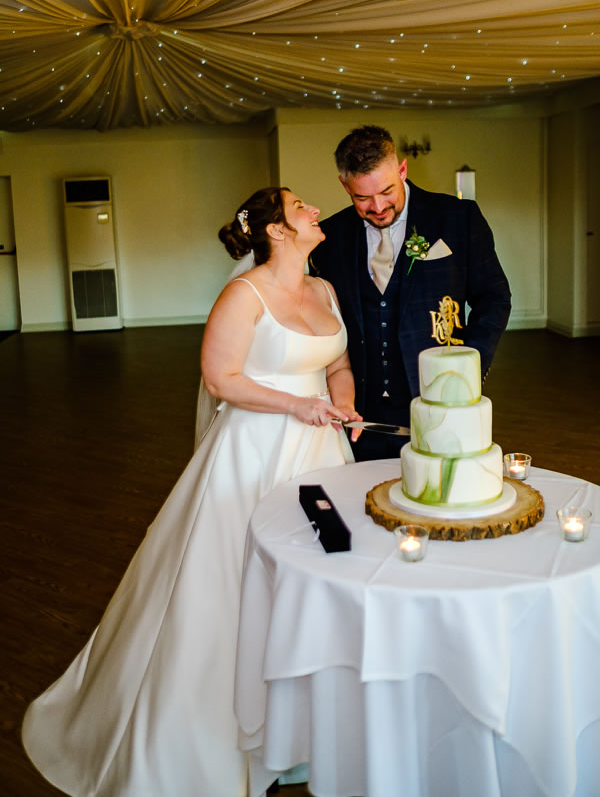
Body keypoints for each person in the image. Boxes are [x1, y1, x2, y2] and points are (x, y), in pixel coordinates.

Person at [22, 186, 360, 797]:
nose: (314, 210)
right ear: (277, 231)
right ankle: (215, 740)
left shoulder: (325, 289)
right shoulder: (244, 294)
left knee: (313, 583)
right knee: (233, 586)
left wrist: (344, 404)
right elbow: (221, 378)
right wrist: (296, 405)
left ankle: (303, 736)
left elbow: (336, 364)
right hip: (254, 453)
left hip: (322, 454)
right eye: (300, 206)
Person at [310, 125, 511, 462]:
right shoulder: (330, 236)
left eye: (386, 191)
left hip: (440, 399)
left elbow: (494, 298)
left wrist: (468, 369)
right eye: (362, 198)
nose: (377, 206)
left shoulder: (458, 218)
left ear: (402, 170)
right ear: (345, 185)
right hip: (360, 412)